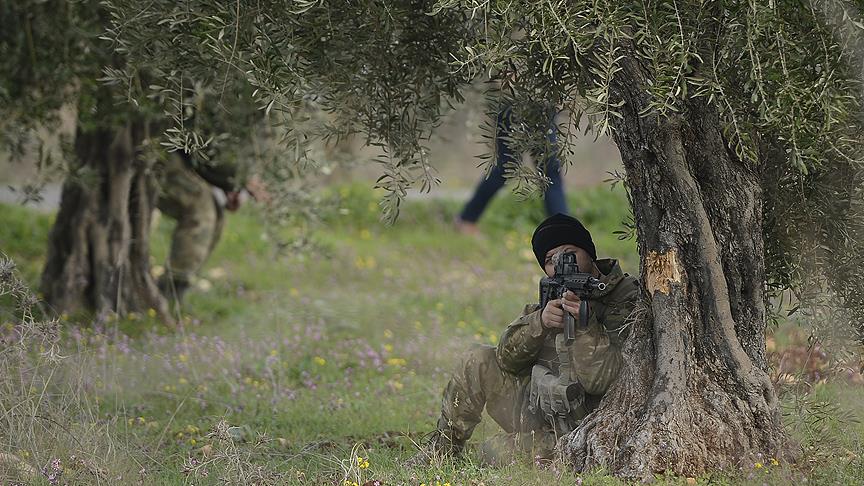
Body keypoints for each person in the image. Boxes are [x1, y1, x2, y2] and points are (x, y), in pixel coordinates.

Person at [411, 213, 639, 465]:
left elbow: (602, 381)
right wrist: (539, 323)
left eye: (569, 252)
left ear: (589, 252)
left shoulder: (626, 299)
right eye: (551, 260)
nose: (562, 263)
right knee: (477, 358)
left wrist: (584, 326)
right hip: (539, 408)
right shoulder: (552, 294)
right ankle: (439, 454)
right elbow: (505, 360)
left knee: (493, 453)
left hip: (583, 425)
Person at [155, 151, 261, 303]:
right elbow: (198, 146)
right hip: (164, 151)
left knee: (216, 216)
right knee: (201, 211)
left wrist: (235, 186)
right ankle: (171, 288)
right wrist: (239, 179)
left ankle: (179, 287)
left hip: (189, 159)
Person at [456, 107, 570, 235]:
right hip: (513, 103)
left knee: (550, 170)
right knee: (507, 166)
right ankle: (467, 219)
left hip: (541, 104)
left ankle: (564, 230)